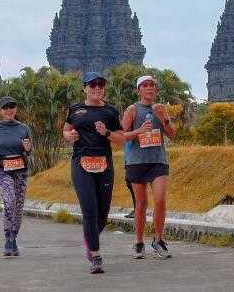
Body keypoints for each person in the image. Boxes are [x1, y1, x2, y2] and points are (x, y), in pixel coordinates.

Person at [62, 72, 125, 274]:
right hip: (81, 163)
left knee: (103, 213)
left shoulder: (110, 111)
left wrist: (106, 132)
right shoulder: (76, 109)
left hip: (104, 164)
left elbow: (121, 138)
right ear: (84, 88)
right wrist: (69, 135)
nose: (97, 88)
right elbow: (66, 130)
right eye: (92, 85)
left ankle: (90, 238)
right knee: (89, 209)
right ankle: (96, 256)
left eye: (101, 84)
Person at [121, 75, 176, 259]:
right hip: (137, 161)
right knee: (141, 204)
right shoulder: (132, 110)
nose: (149, 88)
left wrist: (163, 118)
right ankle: (138, 242)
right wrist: (139, 131)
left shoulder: (161, 108)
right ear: (139, 90)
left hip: (158, 160)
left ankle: (158, 240)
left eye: (152, 85)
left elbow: (172, 134)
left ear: (156, 90)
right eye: (145, 85)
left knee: (160, 199)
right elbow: (122, 135)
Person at [0, 96, 33, 256]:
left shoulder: (24, 128)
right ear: (0, 111)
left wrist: (28, 147)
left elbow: (29, 149)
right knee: (9, 202)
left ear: (16, 110)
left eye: (12, 107)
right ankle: (7, 236)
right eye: (5, 107)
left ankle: (13, 239)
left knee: (18, 206)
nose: (9, 110)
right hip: (3, 170)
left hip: (21, 170)